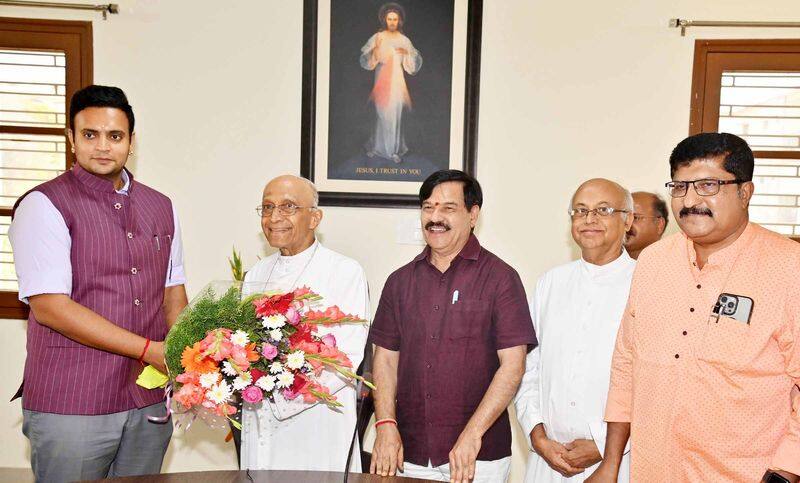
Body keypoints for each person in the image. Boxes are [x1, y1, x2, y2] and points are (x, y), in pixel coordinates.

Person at [594, 133, 800, 482]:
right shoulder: (654, 262)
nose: (689, 201)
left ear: (745, 192)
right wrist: (611, 462)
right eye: (679, 186)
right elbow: (626, 363)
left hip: (745, 474)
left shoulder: (787, 268)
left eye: (707, 185)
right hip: (654, 470)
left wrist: (786, 470)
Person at [9, 85, 188, 482]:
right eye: (90, 135)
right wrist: (148, 349)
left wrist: (187, 356)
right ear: (72, 138)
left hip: (148, 398)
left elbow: (173, 292)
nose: (103, 147)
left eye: (115, 136)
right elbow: (51, 307)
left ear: (131, 141)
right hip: (72, 398)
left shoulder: (161, 205)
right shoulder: (44, 205)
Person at [369, 169, 536, 482]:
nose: (435, 217)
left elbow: (513, 367)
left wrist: (472, 434)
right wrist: (386, 426)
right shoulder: (399, 282)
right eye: (428, 207)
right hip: (409, 454)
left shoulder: (501, 279)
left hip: (477, 456)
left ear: (473, 215)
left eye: (448, 208)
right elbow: (385, 360)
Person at [240, 175, 369, 472]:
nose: (274, 217)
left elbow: (345, 359)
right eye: (267, 207)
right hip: (260, 418)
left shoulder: (345, 271)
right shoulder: (256, 274)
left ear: (314, 218)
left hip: (317, 422)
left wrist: (284, 397)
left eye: (288, 207)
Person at [515, 179, 634, 482]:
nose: (589, 219)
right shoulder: (550, 283)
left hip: (618, 461)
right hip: (548, 460)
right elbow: (529, 368)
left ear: (628, 220)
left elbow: (654, 382)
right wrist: (537, 434)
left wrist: (605, 444)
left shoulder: (646, 284)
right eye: (580, 211)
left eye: (603, 210)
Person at [360, 2, 422, 164]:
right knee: (382, 113)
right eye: (389, 19)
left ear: (399, 21)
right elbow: (368, 60)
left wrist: (407, 53)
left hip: (397, 81)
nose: (392, 22)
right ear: (385, 20)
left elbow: (412, 65)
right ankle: (378, 147)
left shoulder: (404, 40)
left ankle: (393, 151)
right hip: (381, 79)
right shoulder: (379, 37)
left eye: (395, 19)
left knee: (395, 113)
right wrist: (376, 51)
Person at [624, 191, 667, 259]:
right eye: (623, 217)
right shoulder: (605, 264)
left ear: (659, 225)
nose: (626, 223)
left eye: (635, 217)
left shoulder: (672, 264)